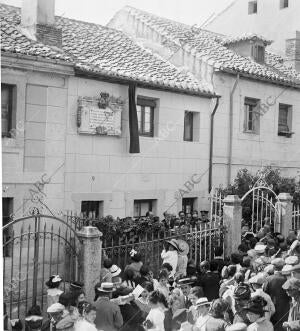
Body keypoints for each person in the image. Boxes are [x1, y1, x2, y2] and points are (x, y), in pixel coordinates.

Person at [263, 258, 290, 330]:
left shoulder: (268, 279)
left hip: (273, 311)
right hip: (286, 311)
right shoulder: (288, 278)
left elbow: (264, 295)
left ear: (274, 267)